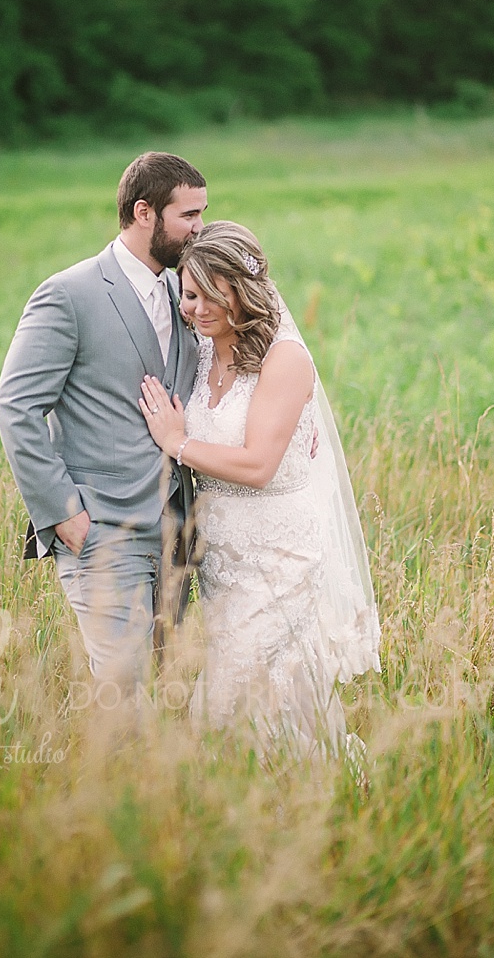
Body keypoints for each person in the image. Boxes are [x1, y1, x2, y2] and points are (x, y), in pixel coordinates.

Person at [137, 221, 380, 758]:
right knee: (278, 688)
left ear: (239, 293)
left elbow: (257, 465)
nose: (193, 309)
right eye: (188, 294)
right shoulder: (200, 353)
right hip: (223, 556)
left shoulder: (285, 359)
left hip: (281, 551)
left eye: (206, 296)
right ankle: (308, 787)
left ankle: (268, 790)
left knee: (226, 699)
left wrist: (177, 443)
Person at [0, 152, 207, 701]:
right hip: (102, 531)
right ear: (144, 212)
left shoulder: (184, 293)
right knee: (123, 698)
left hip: (176, 532)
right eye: (188, 216)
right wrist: (63, 515)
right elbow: (15, 405)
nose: (199, 228)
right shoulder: (69, 295)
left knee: (169, 698)